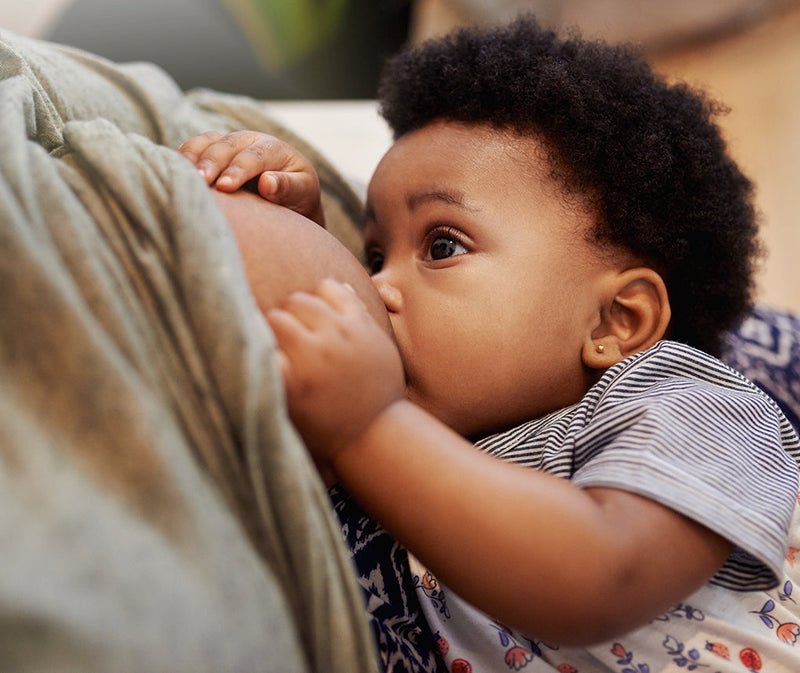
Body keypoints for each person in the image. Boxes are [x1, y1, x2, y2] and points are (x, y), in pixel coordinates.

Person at [179, 16, 800, 672]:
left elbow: (602, 574)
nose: (381, 288)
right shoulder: (441, 438)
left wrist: (368, 426)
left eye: (442, 245)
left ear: (616, 321)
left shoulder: (693, 405)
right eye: (371, 255)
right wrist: (297, 230)